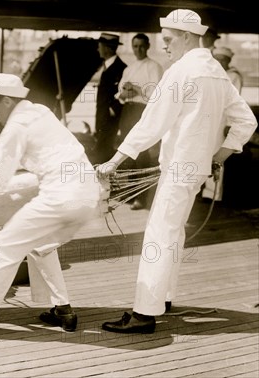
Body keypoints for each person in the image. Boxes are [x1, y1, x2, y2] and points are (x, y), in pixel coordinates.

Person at [97, 9, 257, 334]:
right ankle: (164, 297)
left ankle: (144, 314)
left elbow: (151, 124)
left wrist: (114, 161)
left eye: (168, 40)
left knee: (159, 234)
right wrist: (218, 156)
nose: (164, 47)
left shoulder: (181, 71)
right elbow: (247, 121)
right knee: (174, 232)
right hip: (196, 170)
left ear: (186, 36)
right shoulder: (215, 71)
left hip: (178, 168)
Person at [0, 73, 102, 338]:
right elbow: (35, 152)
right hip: (88, 194)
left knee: (1, 246)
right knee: (39, 243)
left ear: (8, 102)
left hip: (61, 196)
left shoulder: (16, 127)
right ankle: (62, 309)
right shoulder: (40, 112)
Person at [115, 33, 164, 210]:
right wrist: (126, 92)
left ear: (148, 46)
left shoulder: (154, 67)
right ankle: (129, 193)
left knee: (141, 153)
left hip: (143, 112)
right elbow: (120, 95)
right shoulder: (129, 69)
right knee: (127, 151)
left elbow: (156, 94)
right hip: (127, 111)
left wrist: (135, 88)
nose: (138, 50)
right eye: (135, 46)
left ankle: (141, 198)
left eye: (142, 46)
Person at [201, 46, 245, 201]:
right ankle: (206, 190)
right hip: (209, 118)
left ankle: (215, 192)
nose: (219, 62)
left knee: (218, 154)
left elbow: (234, 101)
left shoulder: (234, 76)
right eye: (217, 59)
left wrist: (229, 123)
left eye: (223, 60)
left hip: (223, 119)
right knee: (205, 151)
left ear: (229, 60)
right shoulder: (213, 74)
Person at [91, 33, 127, 164]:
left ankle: (104, 183)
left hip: (110, 120)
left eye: (99, 46)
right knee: (102, 154)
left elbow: (126, 92)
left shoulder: (122, 69)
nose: (98, 49)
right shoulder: (108, 67)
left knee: (102, 155)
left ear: (107, 48)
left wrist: (112, 110)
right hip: (103, 119)